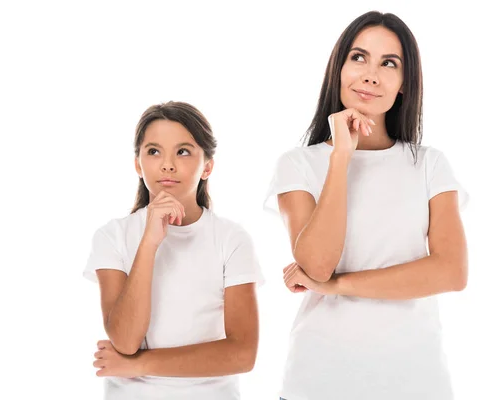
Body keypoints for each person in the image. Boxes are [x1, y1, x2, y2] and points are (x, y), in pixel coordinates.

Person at [264, 11, 469, 400]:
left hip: (415, 382)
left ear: (404, 84)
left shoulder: (428, 164)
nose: (371, 74)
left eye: (388, 63)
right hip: (319, 380)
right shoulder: (299, 164)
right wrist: (341, 156)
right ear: (338, 70)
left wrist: (336, 285)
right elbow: (317, 264)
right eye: (359, 58)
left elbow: (451, 271)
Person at [84, 101, 264, 399]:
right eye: (153, 151)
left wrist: (137, 365)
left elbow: (242, 354)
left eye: (183, 151)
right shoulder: (112, 236)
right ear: (138, 164)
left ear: (207, 166)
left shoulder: (231, 238)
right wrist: (149, 243)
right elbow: (125, 340)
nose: (167, 164)